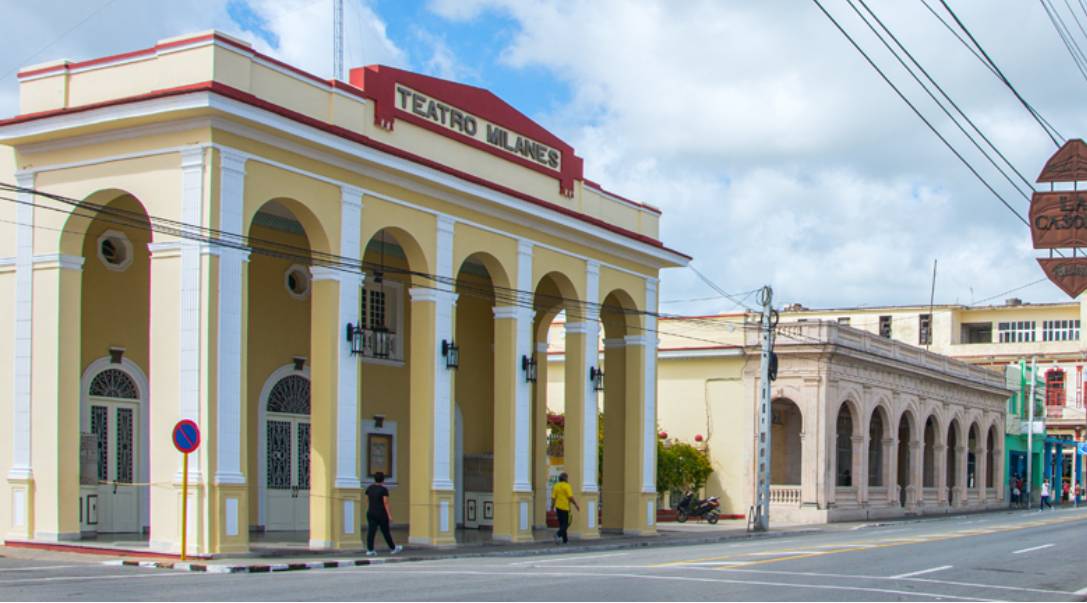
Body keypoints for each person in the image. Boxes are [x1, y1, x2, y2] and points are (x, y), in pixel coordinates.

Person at [364, 472, 402, 556]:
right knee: (385, 532)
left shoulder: (369, 488)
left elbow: (367, 500)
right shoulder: (383, 490)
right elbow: (385, 503)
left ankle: (370, 550)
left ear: (374, 479)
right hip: (381, 514)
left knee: (371, 532)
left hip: (371, 512)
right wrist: (389, 515)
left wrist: (370, 508)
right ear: (383, 480)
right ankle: (393, 548)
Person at [550, 472, 579, 544]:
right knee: (566, 524)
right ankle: (558, 534)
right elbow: (570, 497)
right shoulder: (567, 486)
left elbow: (553, 498)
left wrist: (552, 506)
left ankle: (565, 540)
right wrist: (576, 504)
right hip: (565, 507)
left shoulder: (556, 486)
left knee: (561, 524)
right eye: (567, 477)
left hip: (558, 507)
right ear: (565, 478)